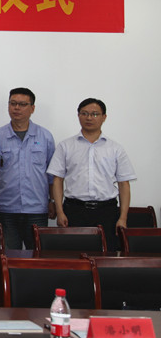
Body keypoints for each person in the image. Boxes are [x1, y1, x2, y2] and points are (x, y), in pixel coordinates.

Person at [47, 98, 136, 251]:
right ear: (78, 115)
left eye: (94, 114)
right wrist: (60, 211)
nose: (89, 118)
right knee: (74, 255)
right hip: (75, 210)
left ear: (104, 117)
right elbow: (57, 180)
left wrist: (123, 217)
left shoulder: (115, 148)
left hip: (107, 212)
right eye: (84, 113)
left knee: (106, 255)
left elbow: (124, 185)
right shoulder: (66, 146)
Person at [0, 87, 56, 249]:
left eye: (22, 104)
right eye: (13, 103)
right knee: (9, 256)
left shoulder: (45, 136)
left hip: (37, 208)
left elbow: (52, 175)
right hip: (7, 208)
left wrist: (52, 201)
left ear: (32, 108)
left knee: (37, 255)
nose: (16, 108)